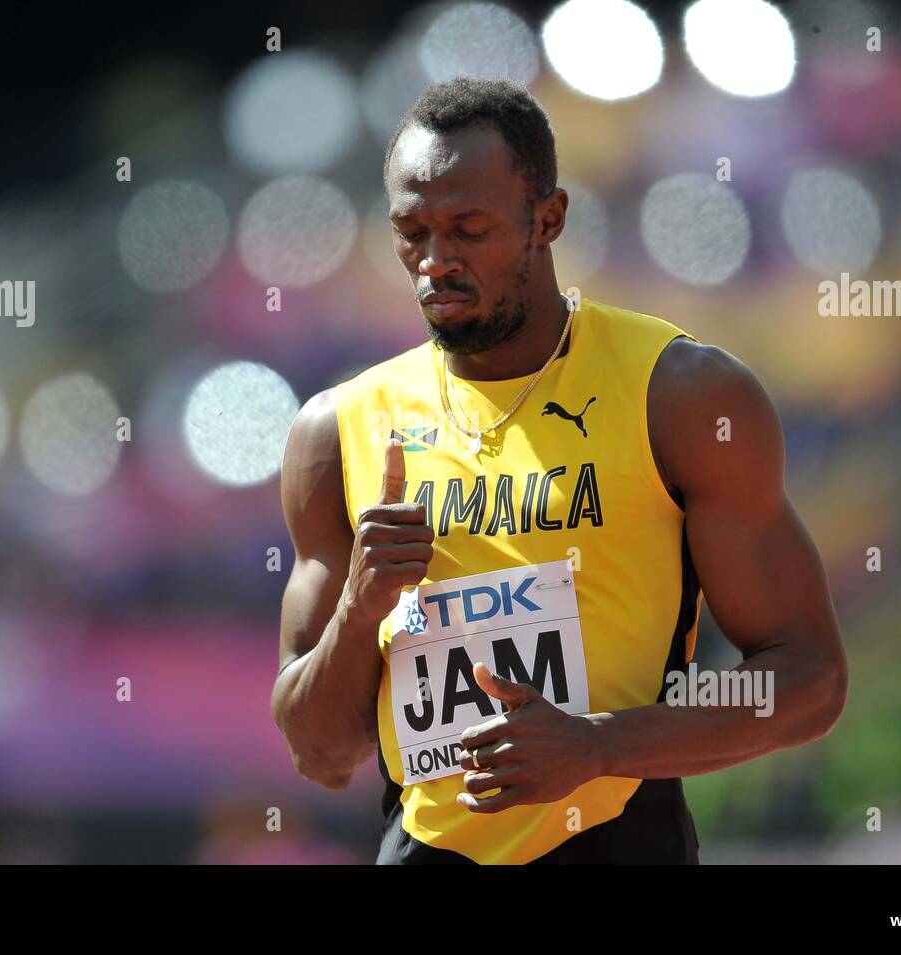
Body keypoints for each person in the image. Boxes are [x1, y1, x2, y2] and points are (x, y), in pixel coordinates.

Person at [271, 76, 847, 864]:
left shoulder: (679, 395)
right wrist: (360, 608)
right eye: (413, 231)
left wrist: (595, 746)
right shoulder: (337, 432)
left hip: (621, 842)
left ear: (549, 217)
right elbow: (321, 753)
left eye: (469, 229)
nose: (435, 261)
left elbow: (809, 679)